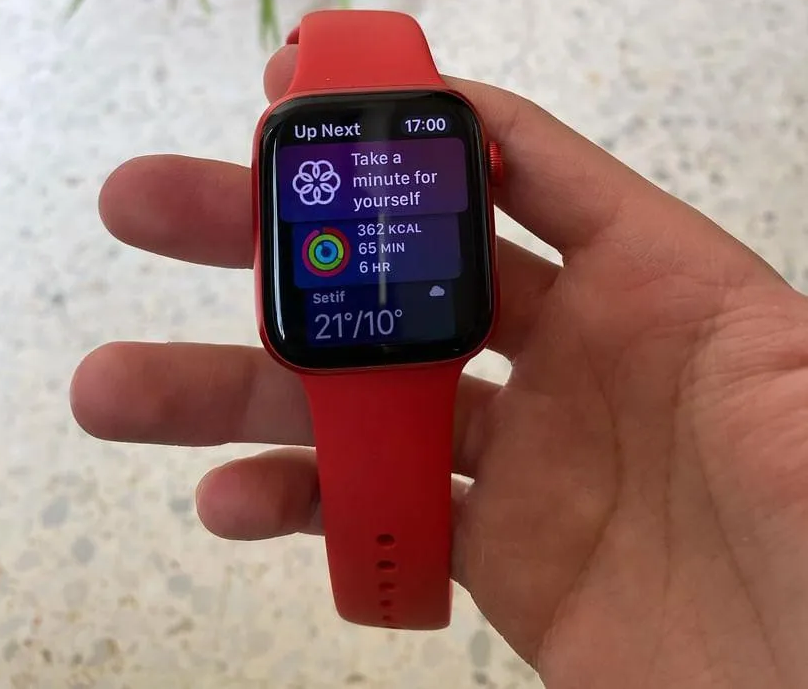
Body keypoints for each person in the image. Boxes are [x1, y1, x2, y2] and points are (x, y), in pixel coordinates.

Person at [70, 42, 808, 688]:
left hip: (398, 341)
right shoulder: (427, 130)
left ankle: (394, 597)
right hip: (387, 341)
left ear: (486, 167)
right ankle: (390, 597)